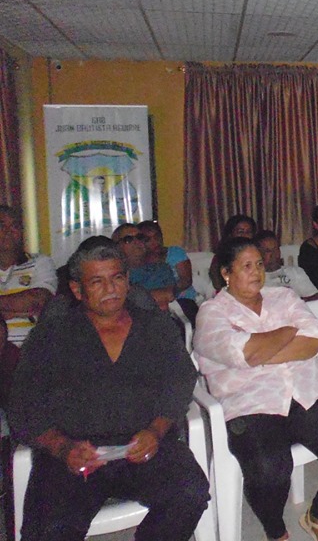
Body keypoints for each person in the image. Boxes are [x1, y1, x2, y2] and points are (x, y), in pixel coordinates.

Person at [9, 240, 209, 541]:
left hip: (144, 443)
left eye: (116, 278)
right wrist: (62, 447)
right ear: (78, 290)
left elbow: (180, 379)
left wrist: (156, 431)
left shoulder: (154, 326)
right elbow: (24, 403)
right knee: (49, 529)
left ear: (128, 281)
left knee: (190, 493)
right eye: (97, 282)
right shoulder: (52, 335)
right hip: (74, 454)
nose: (110, 289)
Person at [194, 238, 318, 541]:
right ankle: (276, 532)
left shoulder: (283, 297)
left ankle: (317, 516)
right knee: (270, 470)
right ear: (226, 273)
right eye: (246, 266)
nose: (256, 272)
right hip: (249, 402)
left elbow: (317, 338)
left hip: (301, 392)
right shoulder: (212, 313)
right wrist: (289, 332)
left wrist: (260, 348)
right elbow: (244, 353)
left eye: (259, 264)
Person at [0, 205, 55, 346]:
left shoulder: (40, 262)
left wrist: (29, 304)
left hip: (32, 351)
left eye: (14, 226)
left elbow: (38, 301)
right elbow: (31, 306)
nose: (8, 231)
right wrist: (22, 311)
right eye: (2, 226)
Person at [139, 219, 197, 320]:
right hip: (155, 304)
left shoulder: (175, 252)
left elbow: (186, 280)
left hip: (183, 300)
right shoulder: (140, 262)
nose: (155, 242)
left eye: (157, 237)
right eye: (148, 240)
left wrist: (168, 292)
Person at [112, 223, 177, 312]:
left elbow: (169, 295)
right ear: (117, 246)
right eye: (128, 239)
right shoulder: (113, 274)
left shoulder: (161, 269)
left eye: (140, 237)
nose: (136, 242)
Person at [254, 230, 318, 300]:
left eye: (276, 249)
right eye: (268, 251)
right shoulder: (255, 278)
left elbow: (315, 298)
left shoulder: (295, 272)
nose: (274, 254)